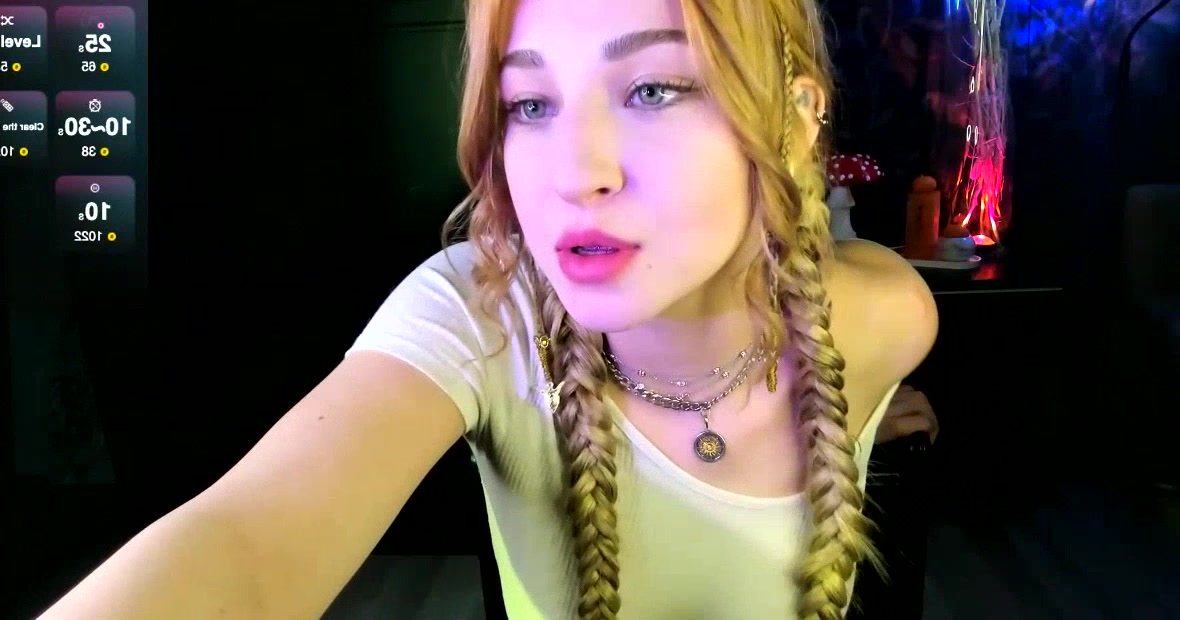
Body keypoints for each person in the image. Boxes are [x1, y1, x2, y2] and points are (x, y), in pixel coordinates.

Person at [40, 0, 937, 618]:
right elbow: (245, 542)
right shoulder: (477, 311)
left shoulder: (889, 316)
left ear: (795, 117)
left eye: (654, 89)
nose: (576, 174)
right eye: (529, 103)